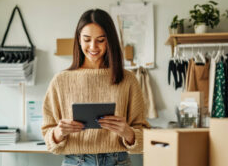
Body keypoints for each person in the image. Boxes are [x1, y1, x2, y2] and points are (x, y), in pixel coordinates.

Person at [42, 9, 149, 166]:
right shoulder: (60, 80)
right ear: (79, 39)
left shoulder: (128, 80)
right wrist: (59, 132)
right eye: (87, 39)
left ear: (110, 41)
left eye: (100, 40)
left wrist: (127, 131)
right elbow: (48, 138)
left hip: (118, 161)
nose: (93, 46)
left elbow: (143, 139)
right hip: (76, 161)